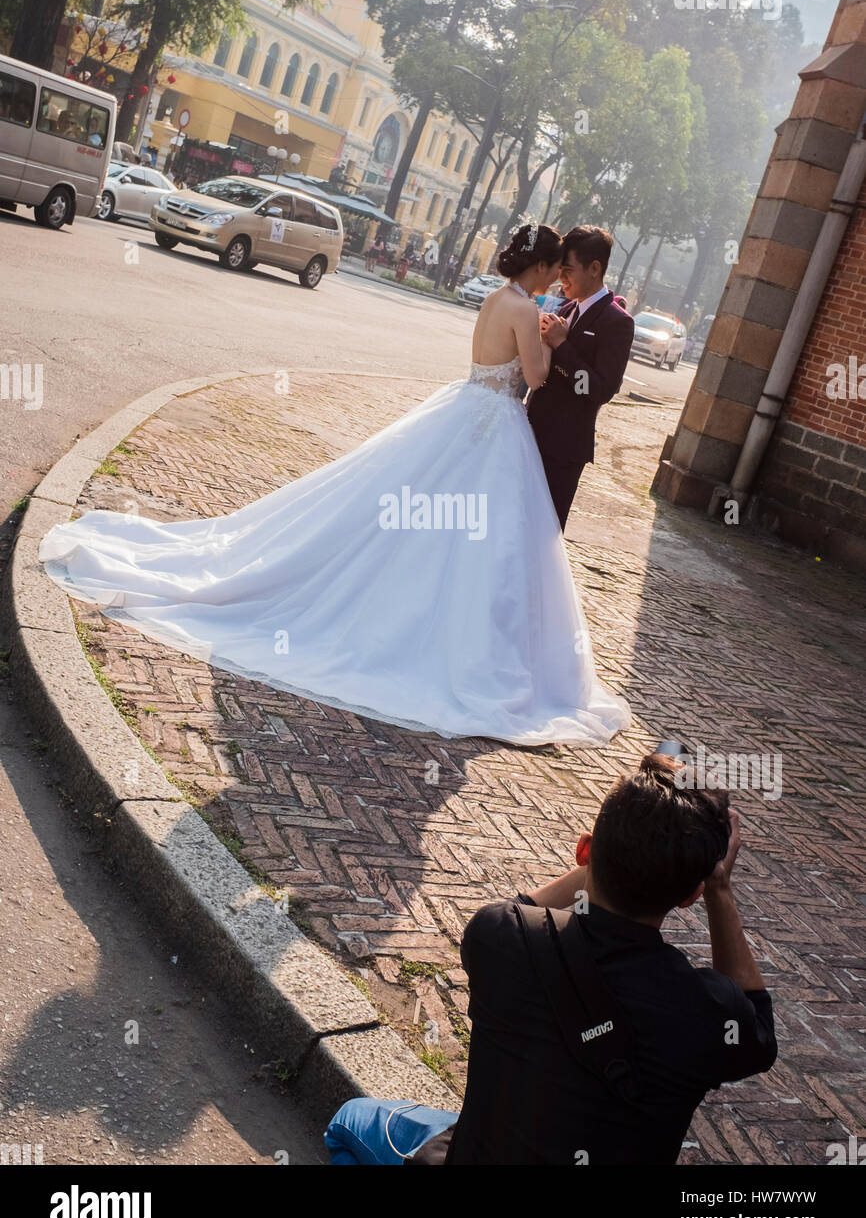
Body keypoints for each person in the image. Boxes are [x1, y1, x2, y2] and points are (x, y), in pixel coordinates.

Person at [39, 223, 629, 748]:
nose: (561, 277)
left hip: (468, 408)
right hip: (494, 427)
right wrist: (552, 347)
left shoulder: (499, 300)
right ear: (543, 266)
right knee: (471, 539)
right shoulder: (527, 311)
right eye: (557, 267)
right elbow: (533, 376)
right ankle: (456, 639)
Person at [323, 753, 777, 1165]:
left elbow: (523, 907)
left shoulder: (499, 937)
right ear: (691, 895)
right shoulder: (711, 1012)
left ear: (583, 851)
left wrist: (602, 854)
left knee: (348, 1122)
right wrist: (719, 888)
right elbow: (758, 1027)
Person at [527, 226, 634, 531]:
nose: (561, 278)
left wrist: (562, 345)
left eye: (568, 270)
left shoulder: (618, 322)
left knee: (544, 532)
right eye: (559, 269)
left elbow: (599, 389)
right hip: (529, 434)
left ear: (595, 268)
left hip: (564, 447)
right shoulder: (565, 308)